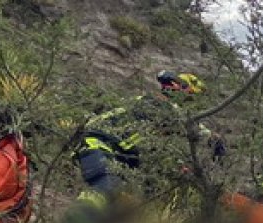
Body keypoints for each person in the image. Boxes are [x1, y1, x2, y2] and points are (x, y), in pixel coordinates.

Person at [74, 70, 222, 207]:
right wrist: (213, 139)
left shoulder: (157, 125)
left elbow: (157, 154)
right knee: (106, 187)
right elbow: (186, 123)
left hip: (115, 153)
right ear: (176, 88)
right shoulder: (157, 104)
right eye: (189, 99)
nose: (188, 106)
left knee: (126, 201)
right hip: (98, 143)